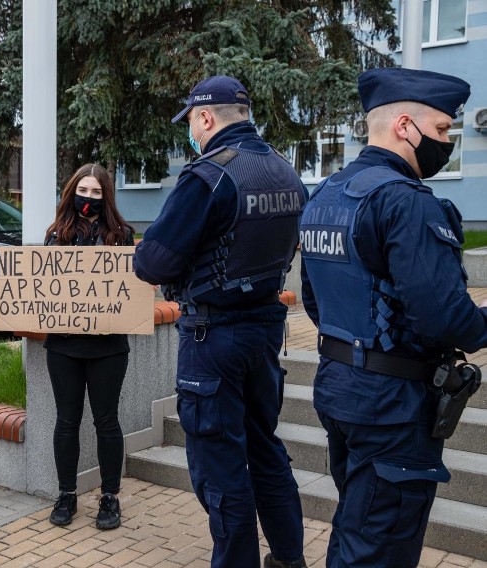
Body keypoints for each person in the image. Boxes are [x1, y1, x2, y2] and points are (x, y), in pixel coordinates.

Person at [300, 68, 487, 568]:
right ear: (406, 125)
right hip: (392, 406)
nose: (447, 141)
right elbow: (447, 321)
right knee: (378, 548)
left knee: (357, 526)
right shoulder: (405, 202)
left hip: (340, 387)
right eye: (443, 130)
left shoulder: (328, 194)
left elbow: (315, 302)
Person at [133, 76, 308, 568]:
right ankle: (289, 558)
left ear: (205, 118)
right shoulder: (285, 172)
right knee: (266, 450)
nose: (190, 130)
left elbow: (153, 263)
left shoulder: (208, 175)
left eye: (190, 120)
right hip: (265, 333)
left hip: (213, 339)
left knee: (221, 471)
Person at [0, 163, 134, 529]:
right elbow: (36, 288)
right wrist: (4, 290)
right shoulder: (57, 236)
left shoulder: (122, 236)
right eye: (83, 191)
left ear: (107, 196)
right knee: (66, 422)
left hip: (109, 348)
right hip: (64, 349)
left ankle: (110, 498)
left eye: (97, 192)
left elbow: (134, 286)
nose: (89, 198)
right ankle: (66, 494)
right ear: (72, 193)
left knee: (107, 422)